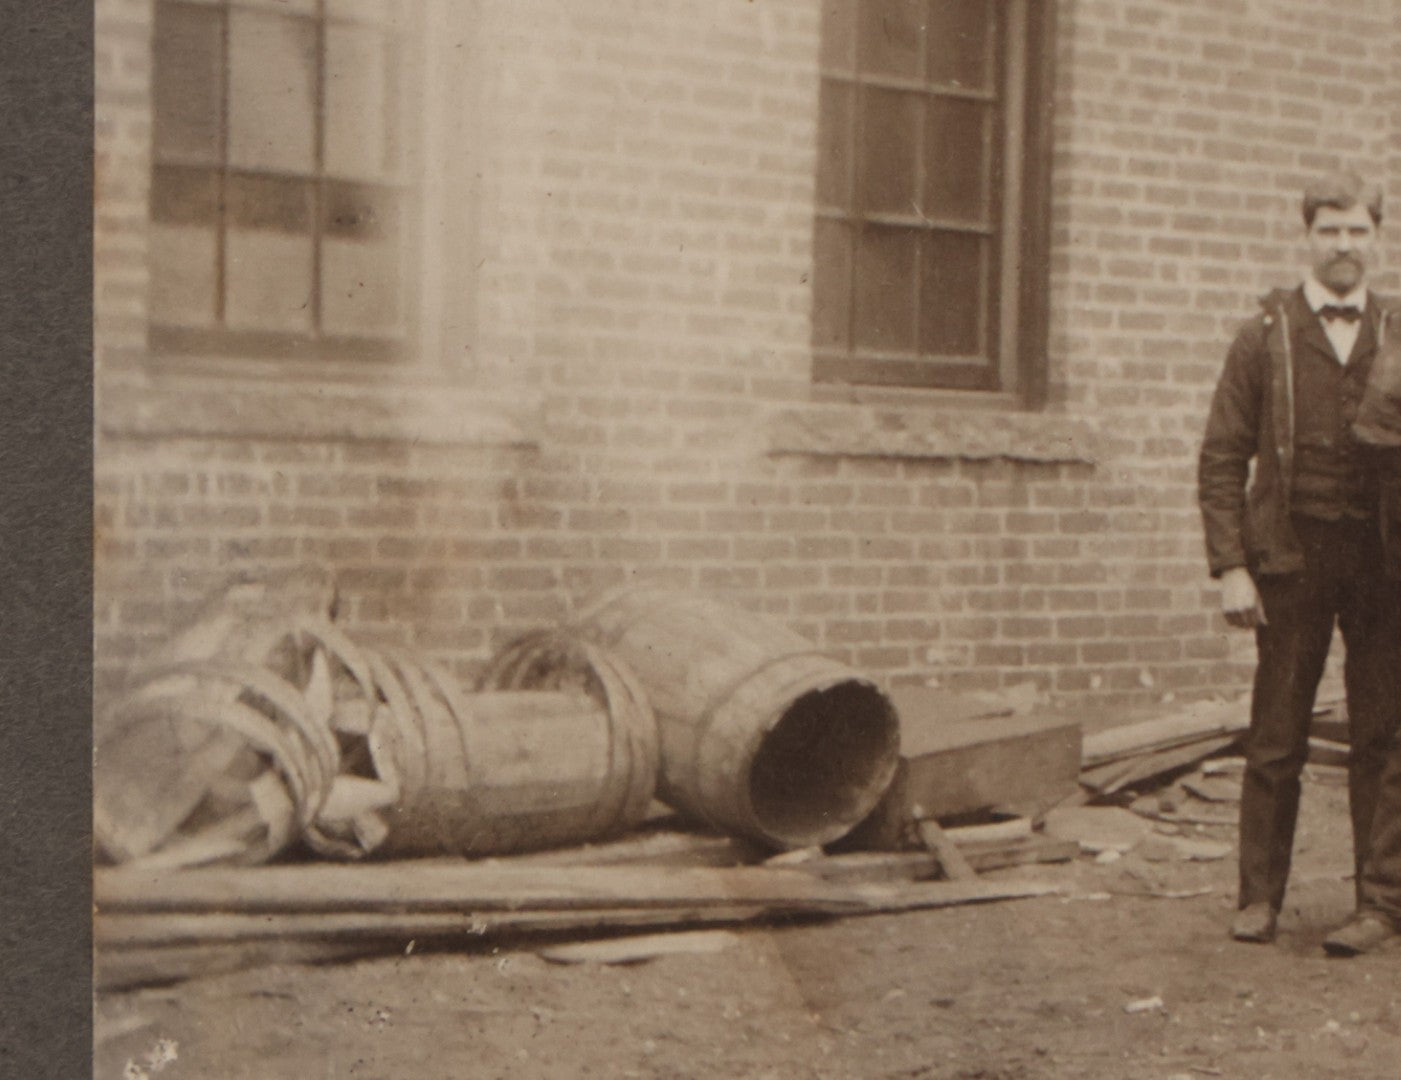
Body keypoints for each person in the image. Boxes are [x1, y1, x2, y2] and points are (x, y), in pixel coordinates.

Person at [1198, 170, 1401, 952]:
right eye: (1329, 230)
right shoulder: (1264, 335)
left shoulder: (1397, 331)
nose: (1343, 245)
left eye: (1356, 230)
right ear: (1307, 236)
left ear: (1375, 237)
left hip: (1382, 565)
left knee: (1380, 736)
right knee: (1276, 732)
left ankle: (1378, 904)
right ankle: (1258, 899)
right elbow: (1222, 456)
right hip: (1290, 559)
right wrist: (1230, 565)